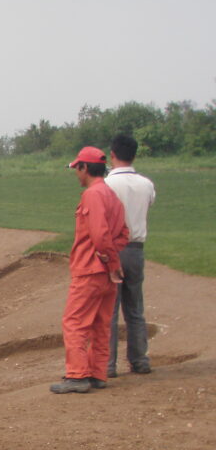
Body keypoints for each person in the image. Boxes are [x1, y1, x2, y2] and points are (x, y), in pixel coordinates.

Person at [50, 146, 129, 394]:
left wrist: (109, 260)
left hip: (90, 270)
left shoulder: (93, 195)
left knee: (74, 322)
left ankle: (77, 376)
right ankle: (97, 373)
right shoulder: (111, 195)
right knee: (100, 324)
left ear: (85, 167)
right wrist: (113, 262)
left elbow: (99, 235)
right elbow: (124, 234)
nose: (76, 172)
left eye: (77, 168)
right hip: (107, 274)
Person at [106, 134, 156, 376]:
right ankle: (139, 359)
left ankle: (108, 364)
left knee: (109, 310)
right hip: (136, 248)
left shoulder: (107, 184)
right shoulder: (146, 184)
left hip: (113, 248)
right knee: (135, 308)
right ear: (134, 155)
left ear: (112, 155)